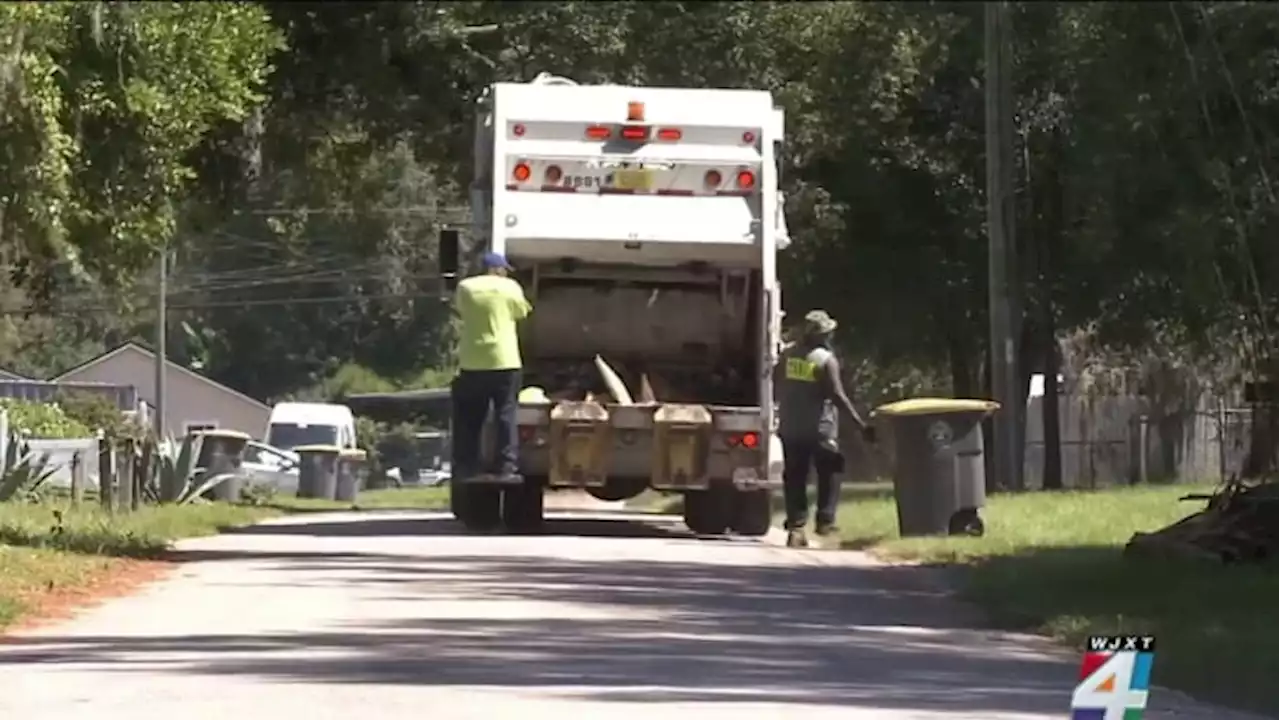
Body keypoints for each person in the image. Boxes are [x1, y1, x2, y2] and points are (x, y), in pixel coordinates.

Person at [776, 309, 874, 548]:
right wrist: (861, 426)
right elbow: (838, 396)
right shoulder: (825, 360)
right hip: (820, 429)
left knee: (795, 476)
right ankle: (825, 521)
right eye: (828, 332)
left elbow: (776, 382)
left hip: (791, 427)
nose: (830, 336)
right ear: (820, 335)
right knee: (831, 471)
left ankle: (797, 527)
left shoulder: (787, 356)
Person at [451, 251, 532, 483]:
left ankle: (468, 467)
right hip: (505, 360)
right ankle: (507, 467)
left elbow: (461, 311)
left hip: (473, 361)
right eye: (504, 269)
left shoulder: (465, 287)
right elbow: (522, 312)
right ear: (497, 269)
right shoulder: (511, 287)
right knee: (505, 413)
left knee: (471, 417)